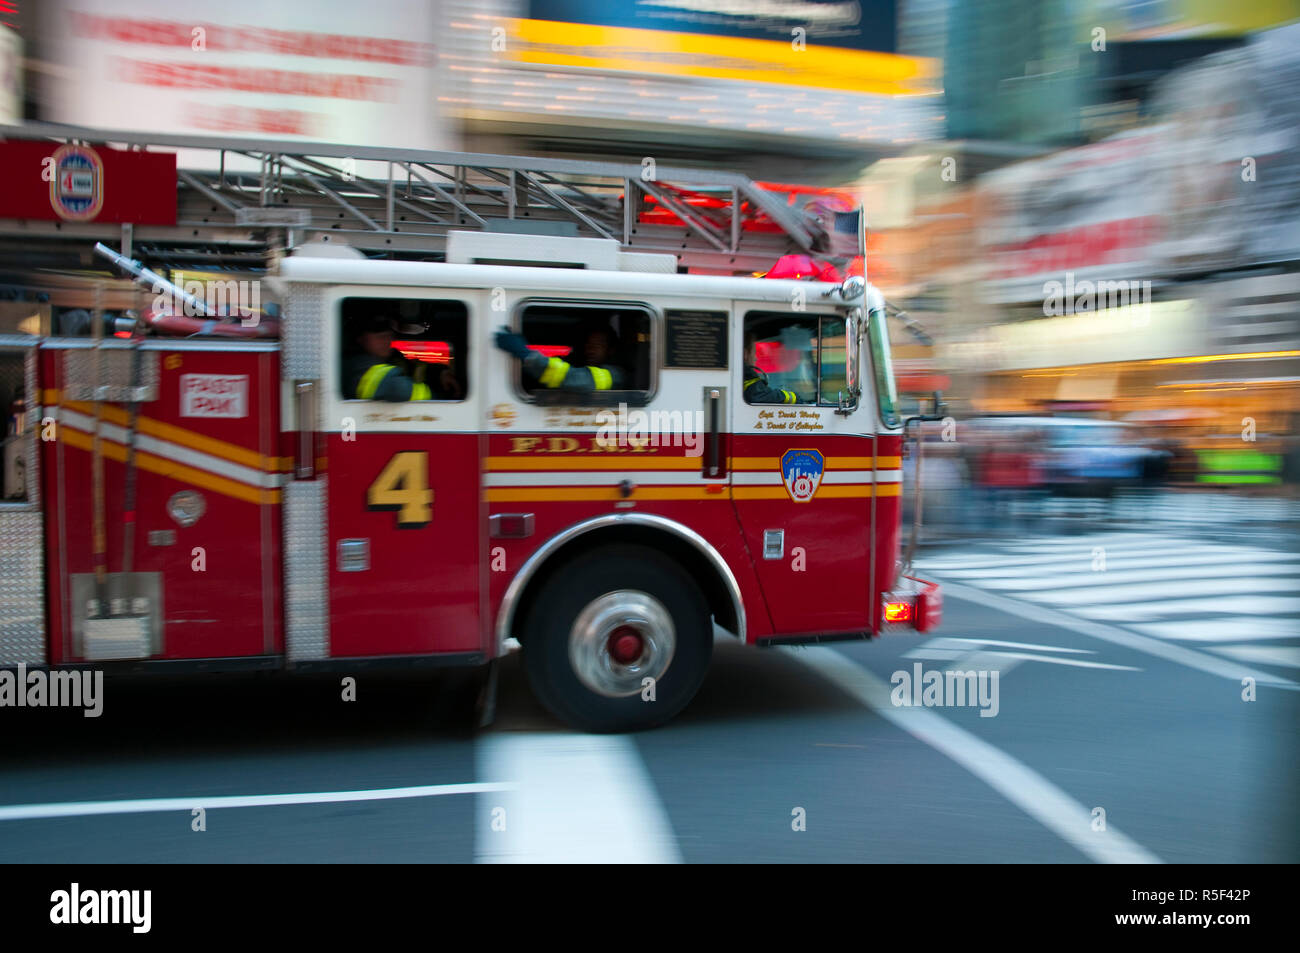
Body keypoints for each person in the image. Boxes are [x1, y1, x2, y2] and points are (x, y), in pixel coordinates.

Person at [345, 315, 460, 401]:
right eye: (378, 336)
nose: (386, 340)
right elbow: (398, 388)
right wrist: (438, 399)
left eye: (389, 335)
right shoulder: (356, 364)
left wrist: (440, 373)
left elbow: (416, 368)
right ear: (360, 339)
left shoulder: (392, 357)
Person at [496, 324, 625, 392]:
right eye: (588, 345)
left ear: (611, 350)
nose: (590, 349)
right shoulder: (581, 363)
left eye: (597, 345)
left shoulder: (615, 374)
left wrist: (529, 356)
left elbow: (576, 379)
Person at [742, 331, 809, 404]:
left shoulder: (743, 376)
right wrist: (795, 398)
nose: (756, 358)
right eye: (754, 353)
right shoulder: (747, 378)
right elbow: (760, 395)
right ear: (745, 354)